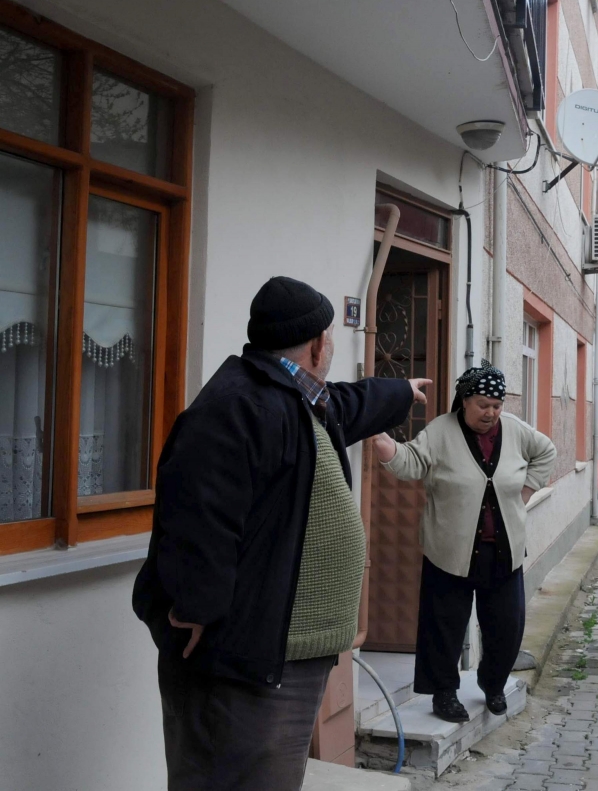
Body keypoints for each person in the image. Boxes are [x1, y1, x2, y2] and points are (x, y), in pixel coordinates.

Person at [132, 276, 428, 791]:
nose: (332, 345)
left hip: (278, 659)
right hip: (244, 666)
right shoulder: (237, 407)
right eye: (332, 336)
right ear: (318, 345)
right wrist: (196, 606)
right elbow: (197, 513)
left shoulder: (292, 398)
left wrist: (401, 391)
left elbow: (346, 405)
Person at [372, 359, 556, 723]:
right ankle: (444, 693)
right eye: (483, 406)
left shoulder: (515, 431)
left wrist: (527, 491)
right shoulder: (441, 431)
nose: (491, 413)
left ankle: (493, 683)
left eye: (497, 406)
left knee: (506, 626)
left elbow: (546, 451)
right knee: (443, 627)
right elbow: (411, 463)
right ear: (465, 401)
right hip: (449, 550)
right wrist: (381, 441)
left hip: (504, 551)